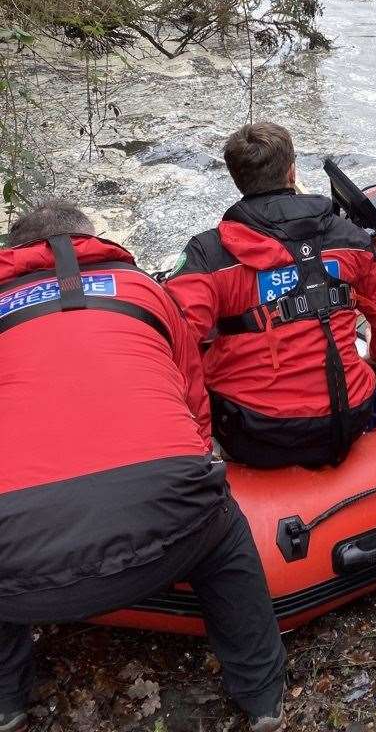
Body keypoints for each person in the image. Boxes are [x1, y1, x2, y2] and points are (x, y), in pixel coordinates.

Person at [0, 201, 286, 732]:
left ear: (15, 252)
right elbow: (192, 394)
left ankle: (6, 701)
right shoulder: (143, 289)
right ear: (89, 239)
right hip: (165, 517)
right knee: (224, 535)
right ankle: (262, 696)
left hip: (19, 562)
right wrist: (198, 472)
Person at [166, 122, 376, 469]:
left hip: (255, 429)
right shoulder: (348, 237)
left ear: (237, 180)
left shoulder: (209, 255)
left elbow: (174, 343)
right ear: (292, 171)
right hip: (351, 412)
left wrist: (196, 434)